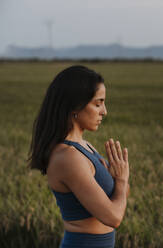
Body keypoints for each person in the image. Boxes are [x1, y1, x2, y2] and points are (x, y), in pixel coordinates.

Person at [27, 65, 130, 248]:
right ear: (75, 105)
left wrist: (118, 180)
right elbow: (113, 217)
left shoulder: (85, 147)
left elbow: (117, 200)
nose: (104, 111)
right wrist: (121, 181)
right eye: (98, 104)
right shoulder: (68, 157)